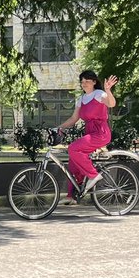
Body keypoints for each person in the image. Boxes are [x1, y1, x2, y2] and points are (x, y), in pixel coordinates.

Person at [55, 70, 118, 203]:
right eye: (82, 82)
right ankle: (71, 196)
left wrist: (108, 90)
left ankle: (93, 175)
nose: (84, 84)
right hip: (90, 133)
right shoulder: (81, 99)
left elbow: (111, 104)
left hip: (101, 133)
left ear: (94, 82)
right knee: (73, 163)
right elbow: (73, 119)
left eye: (87, 81)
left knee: (73, 148)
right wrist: (59, 128)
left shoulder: (99, 94)